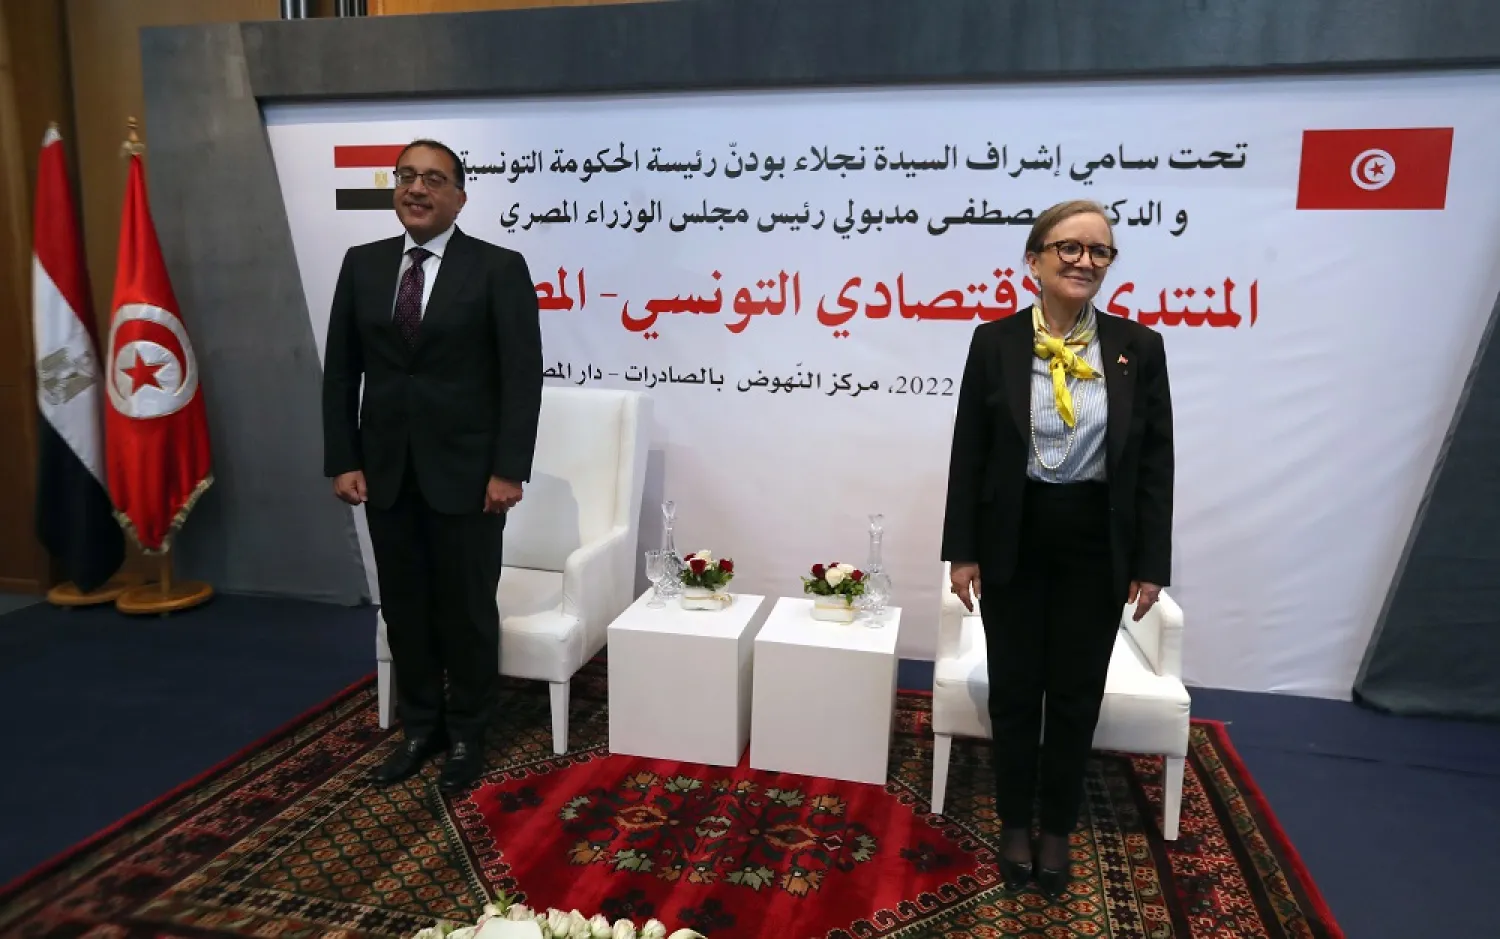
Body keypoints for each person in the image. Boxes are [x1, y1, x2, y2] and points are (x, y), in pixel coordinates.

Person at [941, 199, 1173, 899]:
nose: (1084, 261)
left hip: (1096, 541)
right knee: (1016, 689)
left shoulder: (1138, 347)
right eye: (1069, 248)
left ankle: (1057, 826)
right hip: (1015, 535)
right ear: (1034, 259)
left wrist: (1150, 562)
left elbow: (1157, 461)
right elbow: (970, 452)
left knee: (1075, 694)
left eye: (1099, 251)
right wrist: (963, 551)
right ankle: (1015, 819)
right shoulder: (995, 342)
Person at [322, 138, 543, 793]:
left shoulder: (497, 268)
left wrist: (508, 469)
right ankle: (422, 726)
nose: (417, 189)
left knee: (467, 607)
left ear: (459, 196)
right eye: (407, 177)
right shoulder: (362, 266)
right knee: (405, 607)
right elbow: (342, 372)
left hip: (470, 477)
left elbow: (520, 377)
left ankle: (470, 732)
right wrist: (343, 458)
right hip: (386, 471)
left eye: (434, 179)